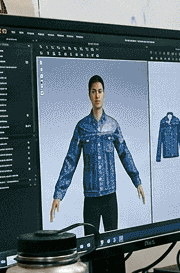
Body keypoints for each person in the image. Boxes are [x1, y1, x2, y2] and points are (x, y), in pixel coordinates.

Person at [51, 75, 145, 232]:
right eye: (93, 91)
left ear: (104, 93)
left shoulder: (113, 125)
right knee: (91, 247)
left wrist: (137, 181)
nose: (97, 95)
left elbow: (124, 153)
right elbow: (71, 160)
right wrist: (58, 194)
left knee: (113, 245)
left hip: (110, 197)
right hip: (91, 198)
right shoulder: (82, 127)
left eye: (100, 91)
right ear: (89, 95)